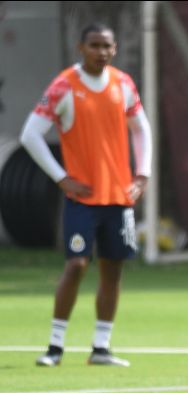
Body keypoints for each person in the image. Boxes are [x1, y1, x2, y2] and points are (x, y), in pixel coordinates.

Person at [19, 23, 152, 368]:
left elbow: (141, 128)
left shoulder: (122, 83)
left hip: (118, 196)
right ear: (81, 48)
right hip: (83, 197)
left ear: (115, 48)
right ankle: (55, 345)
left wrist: (142, 174)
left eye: (107, 46)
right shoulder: (65, 86)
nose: (102, 52)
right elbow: (31, 134)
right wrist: (62, 178)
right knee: (77, 264)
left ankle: (101, 347)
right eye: (94, 45)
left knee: (113, 269)